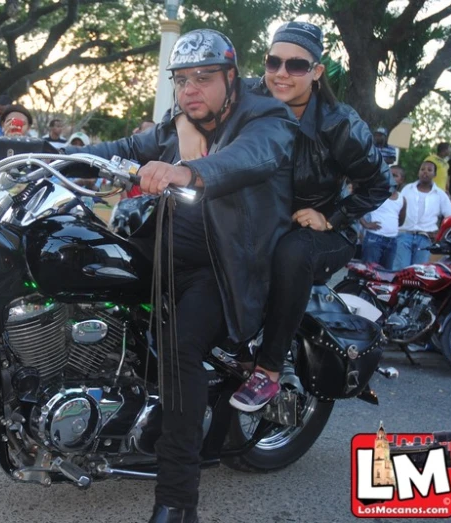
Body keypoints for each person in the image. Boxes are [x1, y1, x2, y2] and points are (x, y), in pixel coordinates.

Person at [68, 29, 298, 523]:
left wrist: (189, 172)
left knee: (179, 351)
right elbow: (120, 146)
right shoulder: (176, 127)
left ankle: (177, 501)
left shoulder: (266, 116)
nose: (191, 88)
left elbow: (253, 157)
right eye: (182, 80)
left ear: (231, 78)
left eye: (204, 77)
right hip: (161, 252)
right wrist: (36, 153)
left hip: (222, 265)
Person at [215, 22, 390, 412]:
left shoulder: (339, 123)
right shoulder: (245, 97)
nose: (281, 73)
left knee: (292, 252)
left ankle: (269, 370)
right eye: (273, 62)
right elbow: (195, 99)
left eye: (296, 65)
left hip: (320, 235)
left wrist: (332, 214)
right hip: (260, 221)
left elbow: (379, 184)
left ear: (317, 71)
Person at [392, 160, 451, 268]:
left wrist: (440, 235)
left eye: (429, 170)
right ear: (418, 172)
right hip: (404, 235)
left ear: (434, 174)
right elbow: (397, 209)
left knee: (419, 273)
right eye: (422, 169)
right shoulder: (408, 189)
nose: (425, 172)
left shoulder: (440, 194)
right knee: (400, 270)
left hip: (425, 239)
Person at [360, 181, 406, 268]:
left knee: (386, 274)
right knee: (369, 271)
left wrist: (391, 226)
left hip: (392, 241)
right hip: (374, 238)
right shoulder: (377, 194)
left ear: (402, 180)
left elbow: (401, 221)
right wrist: (365, 224)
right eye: (390, 175)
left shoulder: (402, 198)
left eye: (395, 175)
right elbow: (357, 207)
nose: (392, 178)